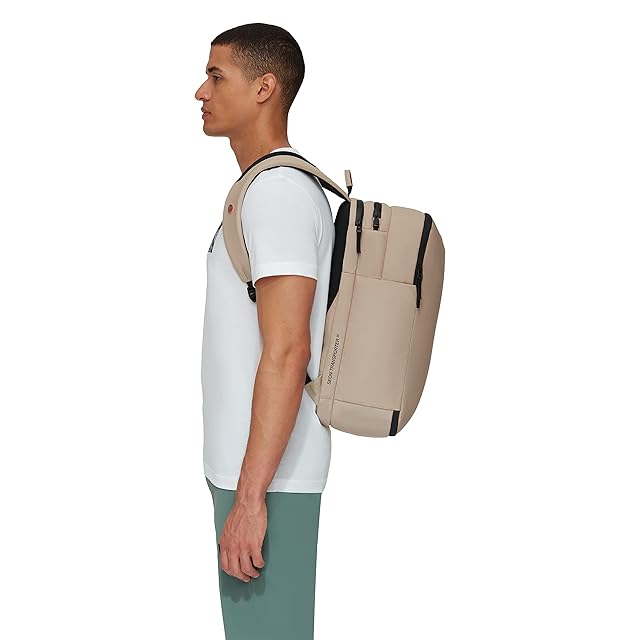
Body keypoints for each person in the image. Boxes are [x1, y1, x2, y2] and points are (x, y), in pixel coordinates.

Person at [194, 23, 334, 640]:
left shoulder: (277, 194)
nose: (201, 91)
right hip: (251, 472)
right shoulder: (262, 188)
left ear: (264, 88)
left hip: (268, 481)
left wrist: (251, 499)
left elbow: (288, 350)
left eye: (216, 75)